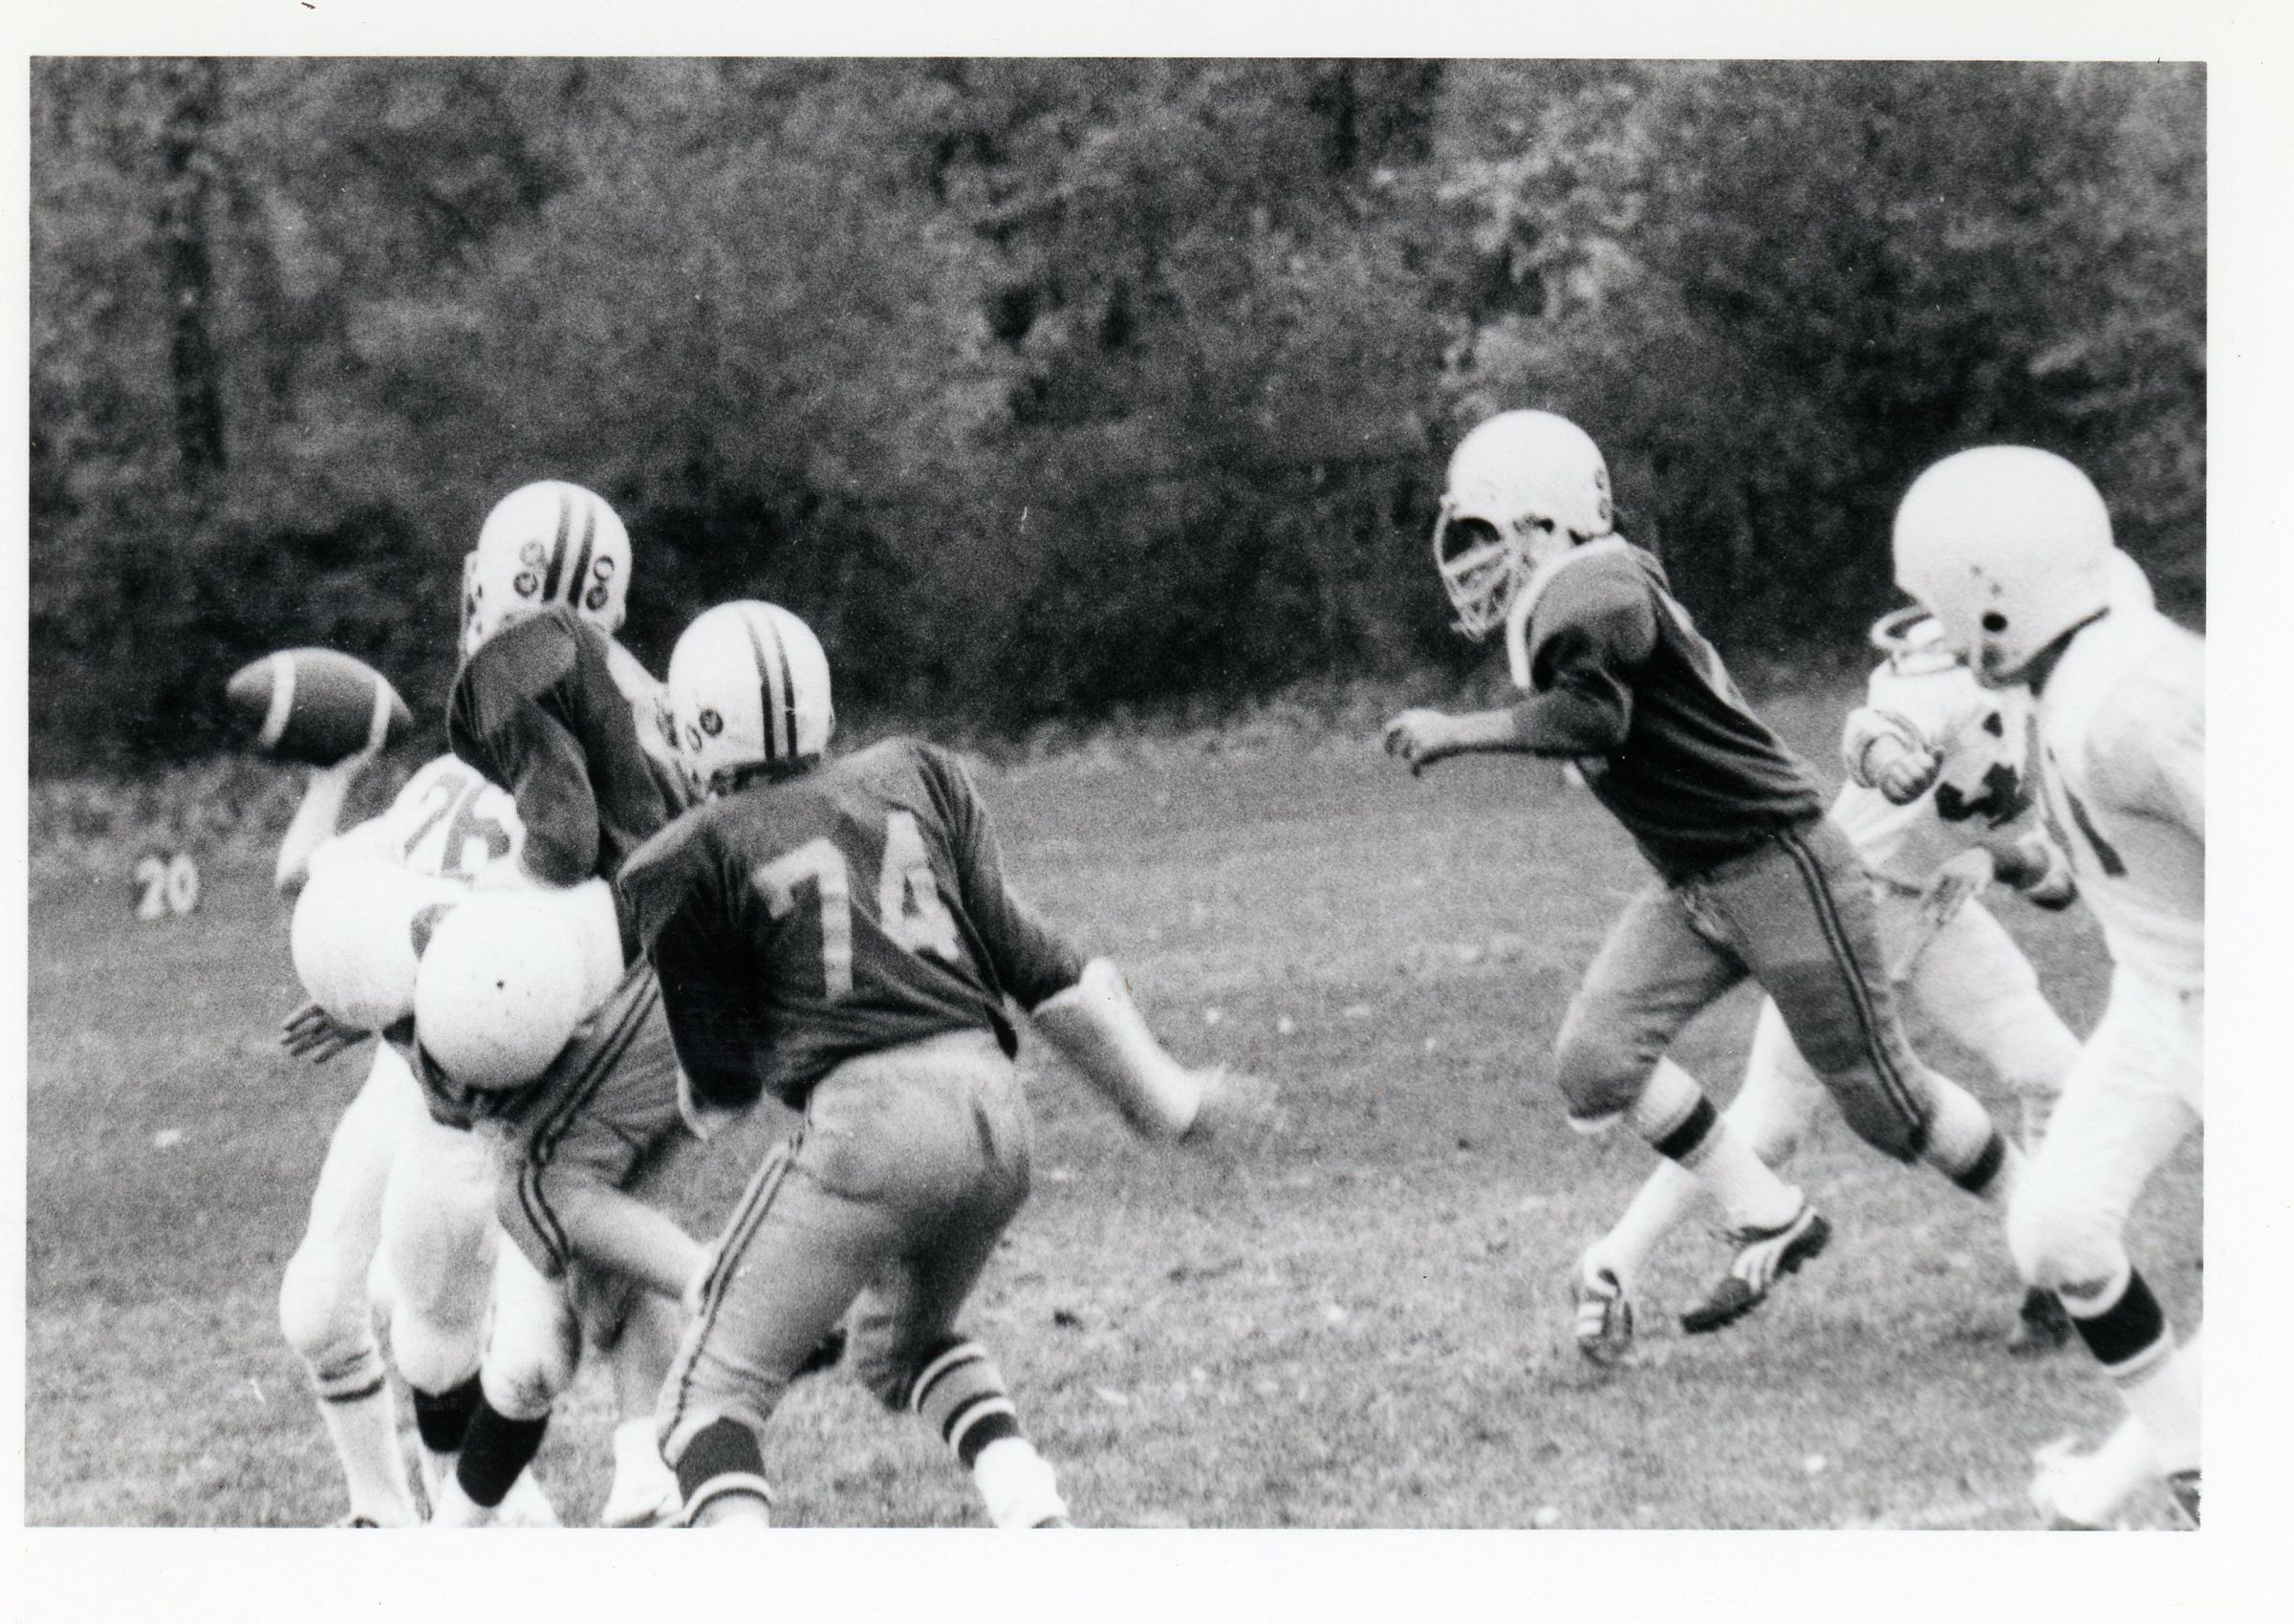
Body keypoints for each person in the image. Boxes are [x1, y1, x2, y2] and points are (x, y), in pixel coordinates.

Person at [618, 601, 1269, 1527]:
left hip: (873, 1127)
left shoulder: (684, 859)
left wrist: (677, 1108)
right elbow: (1043, 968)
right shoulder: (915, 773)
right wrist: (1169, 1101)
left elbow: (722, 1083)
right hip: (997, 1118)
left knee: (703, 1401)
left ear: (694, 727)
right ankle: (1034, 1510)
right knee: (896, 1347)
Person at [1382, 409, 2025, 1339]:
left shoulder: (1594, 589)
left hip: (1781, 866)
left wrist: (1459, 731)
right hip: (1692, 882)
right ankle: (1770, 1211)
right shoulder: (1583, 585)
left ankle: (2056, 1241)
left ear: (1550, 521)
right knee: (1596, 1061)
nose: (1477, 557)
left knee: (1888, 1103)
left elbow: (1594, 718)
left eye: (1491, 531)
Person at [1570, 603, 2085, 1363]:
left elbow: (2049, 871)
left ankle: (2053, 1269)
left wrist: (2001, 860)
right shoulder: (1942, 667)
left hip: (1934, 904)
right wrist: (1890, 758)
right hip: (1849, 902)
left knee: (2054, 1070)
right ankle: (1613, 1261)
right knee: (1773, 1116)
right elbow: (1871, 732)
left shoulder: (2044, 699)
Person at [1893, 445, 2203, 1527]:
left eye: (1944, 598)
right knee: (2058, 1231)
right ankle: (2196, 1465)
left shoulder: (2137, 697)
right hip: (2161, 994)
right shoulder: (2068, 674)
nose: (1933, 627)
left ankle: (2172, 1482)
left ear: (1998, 597)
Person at [415, 478, 707, 1527]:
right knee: (601, 1235)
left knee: (542, 1187)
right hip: (714, 974)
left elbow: (566, 835)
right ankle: (642, 1469)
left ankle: (727, 1292)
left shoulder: (515, 661)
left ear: (485, 578)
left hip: (644, 974)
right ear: (613, 601)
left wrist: (475, 930)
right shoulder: (635, 677)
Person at [271, 748, 557, 1526]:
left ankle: (480, 1521)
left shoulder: (570, 790)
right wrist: (333, 770)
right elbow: (304, 878)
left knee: (436, 1342)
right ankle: (380, 1513)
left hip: (483, 1106)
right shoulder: (445, 779)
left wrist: (390, 998)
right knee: (316, 1307)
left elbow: (526, 981)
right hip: (400, 1082)